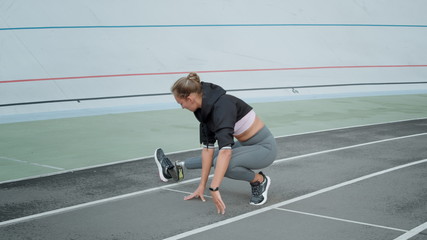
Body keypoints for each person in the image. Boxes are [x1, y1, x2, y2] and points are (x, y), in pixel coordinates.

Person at [154, 72, 277, 214]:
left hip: (265, 148)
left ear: (189, 98)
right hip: (246, 144)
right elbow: (207, 150)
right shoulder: (204, 111)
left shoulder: (223, 107)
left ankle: (259, 180)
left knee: (224, 163)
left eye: (181, 103)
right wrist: (202, 185)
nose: (182, 107)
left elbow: (226, 152)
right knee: (214, 158)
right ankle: (174, 169)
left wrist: (214, 188)